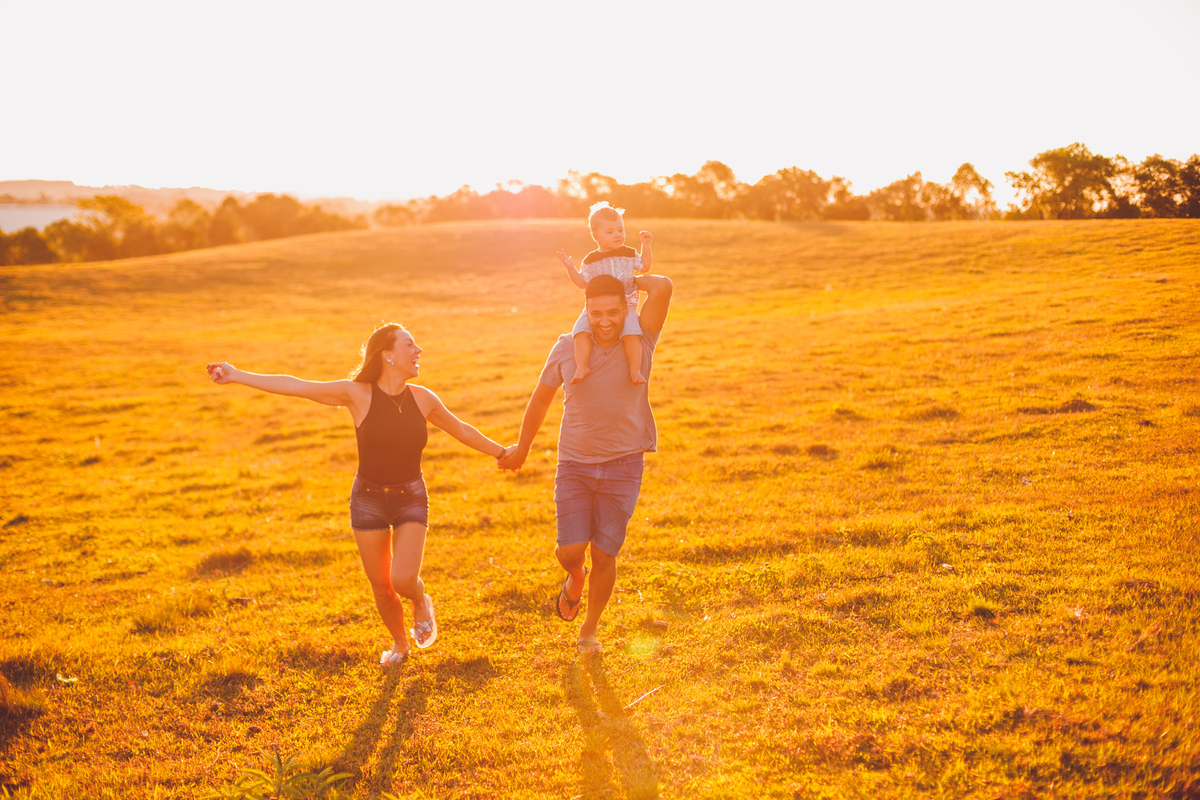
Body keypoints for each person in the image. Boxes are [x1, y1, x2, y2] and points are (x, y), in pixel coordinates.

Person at [206, 323, 511, 666]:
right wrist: (237, 375)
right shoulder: (358, 394)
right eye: (410, 345)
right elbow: (297, 386)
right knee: (382, 586)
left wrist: (502, 452)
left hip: (410, 495)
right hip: (368, 499)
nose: (418, 351)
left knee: (403, 579)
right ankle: (399, 644)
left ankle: (421, 599)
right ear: (388, 356)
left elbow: (461, 429)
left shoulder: (424, 399)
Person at [498, 271, 673, 654]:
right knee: (571, 552)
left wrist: (627, 276)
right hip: (575, 464)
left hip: (624, 464)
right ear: (585, 311)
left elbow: (662, 286)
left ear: (625, 308)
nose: (606, 321)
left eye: (613, 312)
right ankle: (574, 577)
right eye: (596, 313)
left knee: (605, 554)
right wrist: (523, 448)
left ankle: (588, 631)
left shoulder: (640, 339)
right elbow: (541, 399)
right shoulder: (566, 347)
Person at [557, 202, 654, 386]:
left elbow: (645, 267)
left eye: (620, 230)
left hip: (627, 305)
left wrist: (645, 245)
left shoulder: (628, 253)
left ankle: (635, 371)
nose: (617, 235)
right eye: (610, 232)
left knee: (632, 332)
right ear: (596, 236)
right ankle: (582, 366)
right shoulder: (590, 260)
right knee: (580, 331)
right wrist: (571, 269)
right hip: (598, 307)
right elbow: (582, 283)